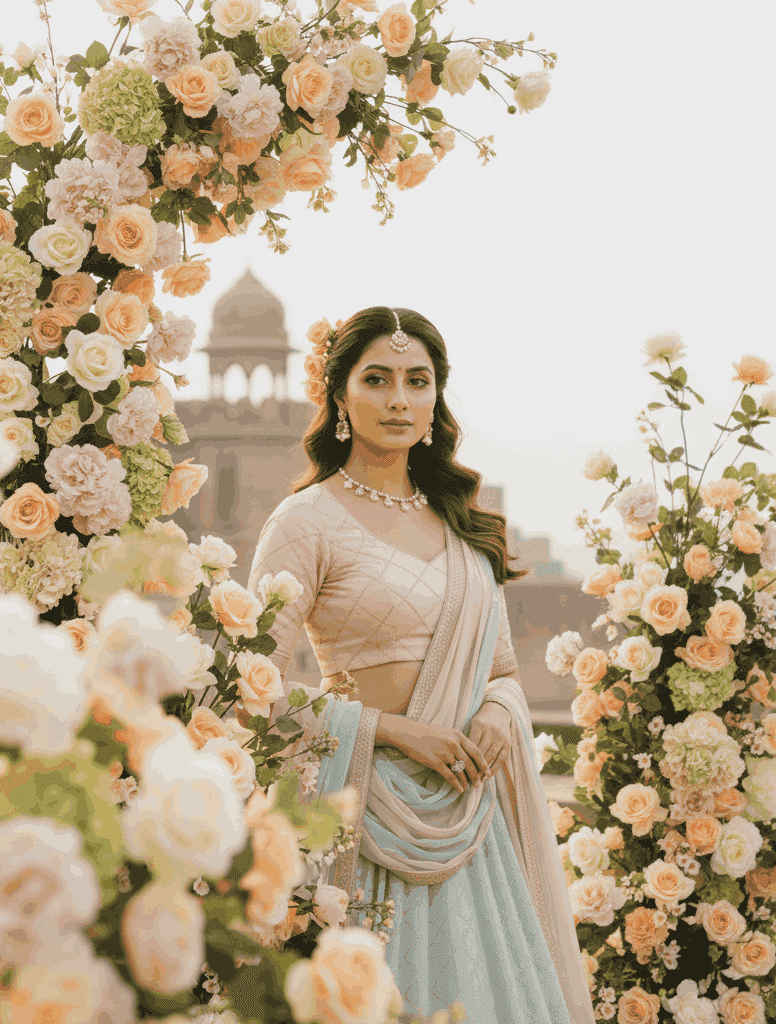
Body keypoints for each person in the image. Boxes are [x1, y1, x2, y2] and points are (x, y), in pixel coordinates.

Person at [244, 307, 596, 1023]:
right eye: (376, 380)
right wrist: (393, 732)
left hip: (472, 817)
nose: (399, 399)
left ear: (437, 398)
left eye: (417, 380)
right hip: (364, 817)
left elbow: (500, 671)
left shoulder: (460, 521)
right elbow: (251, 686)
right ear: (339, 396)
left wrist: (499, 714)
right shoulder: (305, 522)